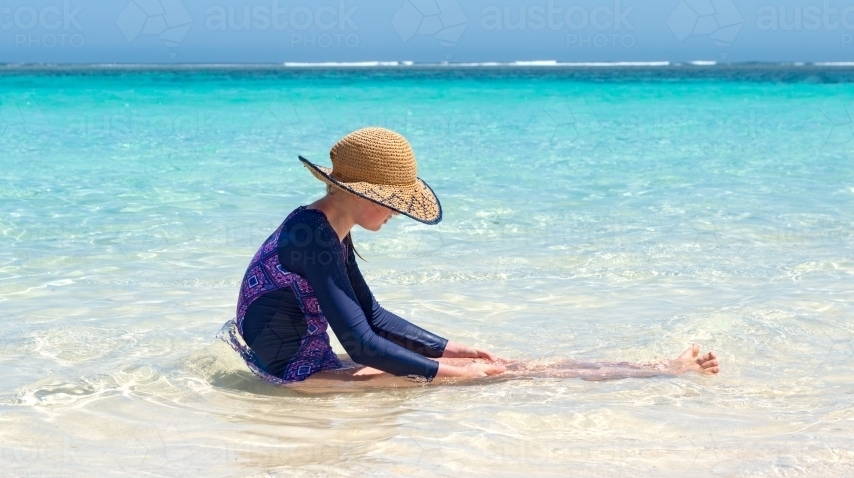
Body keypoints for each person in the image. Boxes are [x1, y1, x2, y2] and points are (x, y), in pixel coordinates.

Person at [224, 127, 719, 391]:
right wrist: (451, 374)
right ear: (363, 193)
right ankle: (663, 370)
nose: (398, 213)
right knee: (502, 377)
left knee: (496, 364)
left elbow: (371, 318)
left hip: (308, 362)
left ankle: (655, 368)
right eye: (395, 201)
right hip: (298, 378)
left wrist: (457, 349)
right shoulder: (312, 236)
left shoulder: (325, 227)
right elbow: (363, 343)